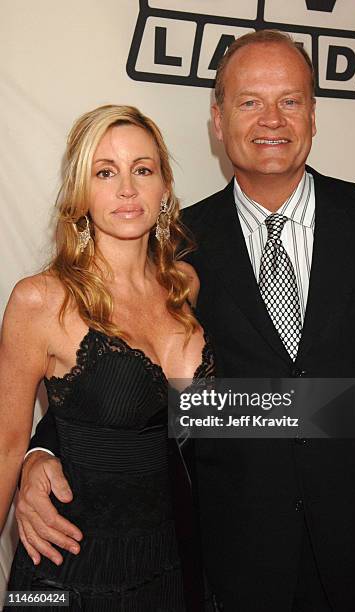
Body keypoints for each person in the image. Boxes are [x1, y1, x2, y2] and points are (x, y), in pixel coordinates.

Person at [12, 31, 355, 612]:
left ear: (314, 114)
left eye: (291, 100)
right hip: (231, 559)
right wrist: (40, 454)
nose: (272, 119)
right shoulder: (175, 251)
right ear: (218, 120)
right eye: (250, 101)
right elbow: (122, 373)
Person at [0, 104, 214, 610]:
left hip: (168, 565)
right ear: (80, 193)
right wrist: (34, 457)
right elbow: (8, 447)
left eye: (143, 169)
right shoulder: (40, 300)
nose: (126, 189)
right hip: (62, 575)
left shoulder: (185, 286)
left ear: (164, 188)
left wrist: (354, 409)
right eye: (105, 171)